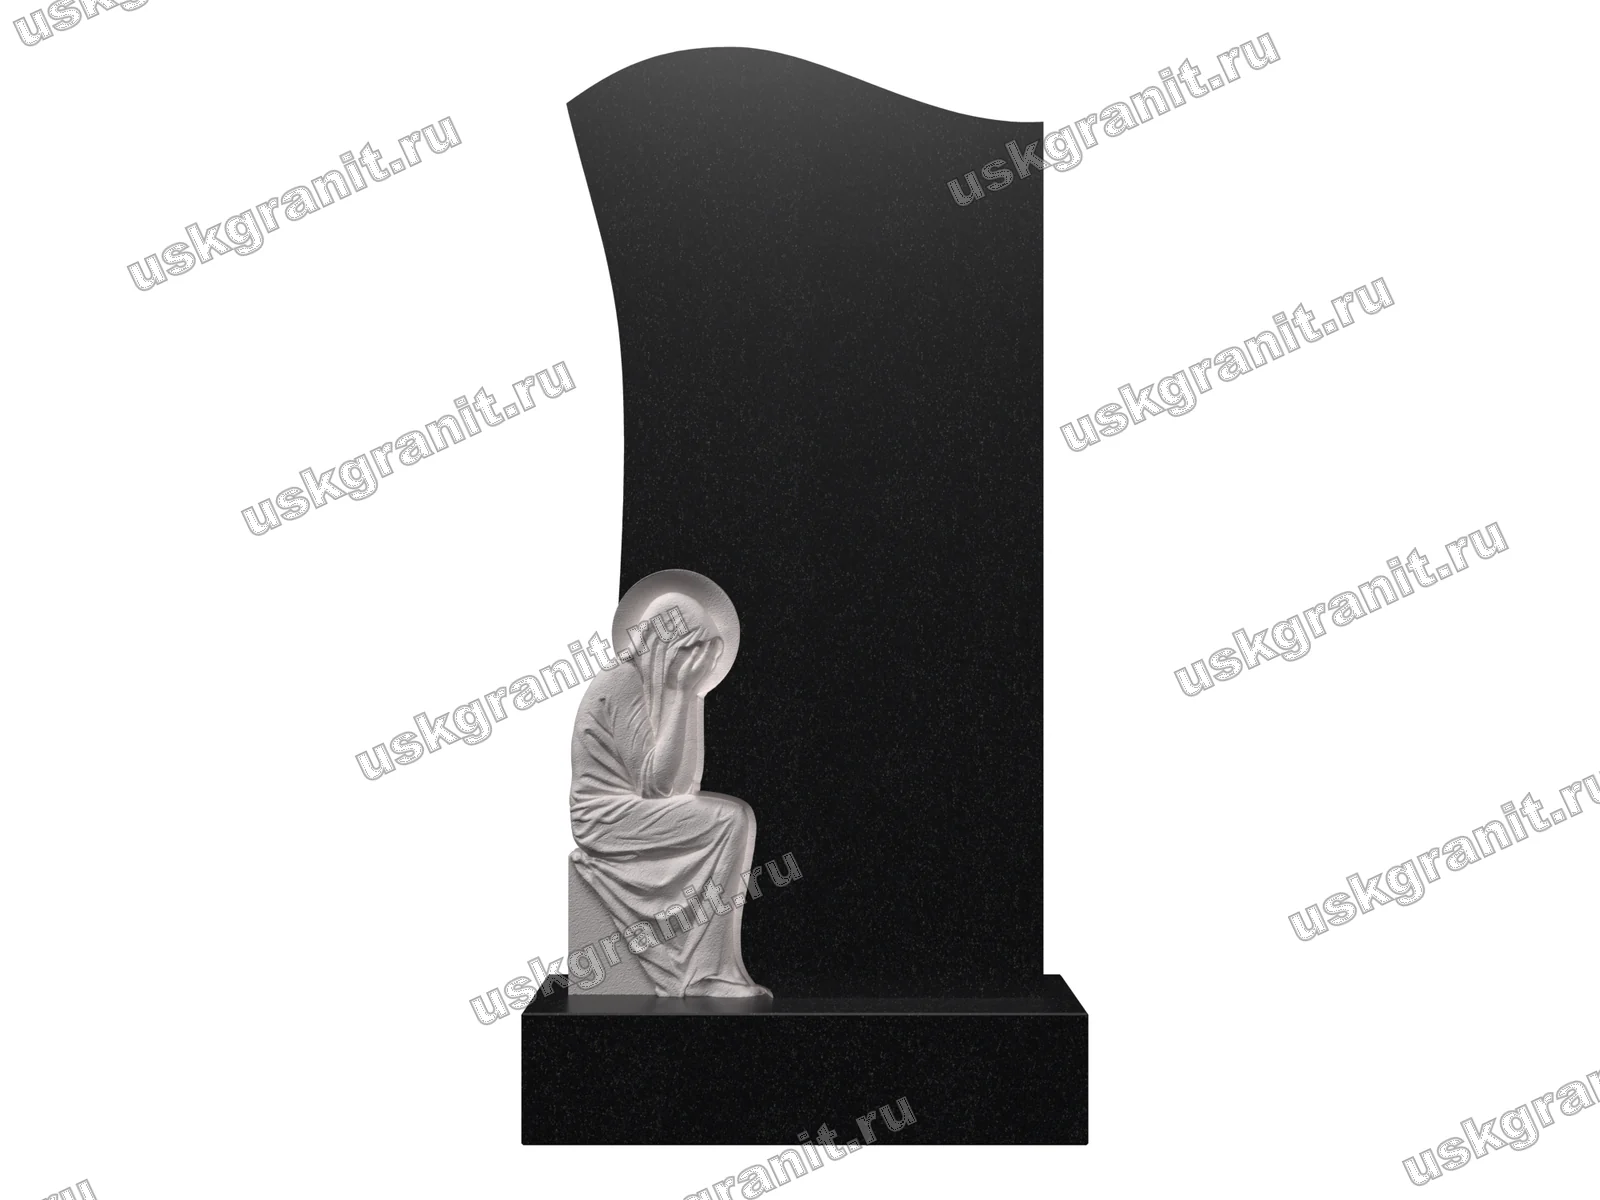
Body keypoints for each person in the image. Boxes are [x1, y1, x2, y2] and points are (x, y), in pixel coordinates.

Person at [567, 588, 770, 998]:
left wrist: (690, 696)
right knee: (731, 820)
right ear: (666, 645)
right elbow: (657, 786)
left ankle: (707, 967)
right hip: (604, 817)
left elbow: (684, 784)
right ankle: (707, 973)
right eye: (693, 651)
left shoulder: (661, 683)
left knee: (733, 818)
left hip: (634, 810)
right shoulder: (623, 680)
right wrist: (681, 693)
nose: (699, 664)